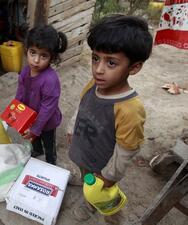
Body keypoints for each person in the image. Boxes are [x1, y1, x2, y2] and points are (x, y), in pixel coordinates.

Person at [67, 14, 153, 222]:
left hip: (104, 167)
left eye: (111, 63)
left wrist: (108, 176)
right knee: (88, 179)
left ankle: (113, 218)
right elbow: (82, 107)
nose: (98, 69)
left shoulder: (130, 109)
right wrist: (71, 128)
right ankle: (89, 199)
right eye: (95, 58)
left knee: (106, 196)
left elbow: (127, 150)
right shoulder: (94, 84)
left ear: (134, 67)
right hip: (84, 154)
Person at [15, 24, 68, 165]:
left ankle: (51, 161)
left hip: (48, 122)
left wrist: (36, 129)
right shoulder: (26, 71)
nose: (36, 60)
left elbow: (47, 108)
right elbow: (20, 92)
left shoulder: (50, 80)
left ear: (52, 57)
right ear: (27, 50)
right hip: (30, 116)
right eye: (33, 52)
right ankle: (37, 151)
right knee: (34, 140)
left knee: (48, 143)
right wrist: (15, 112)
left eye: (43, 55)